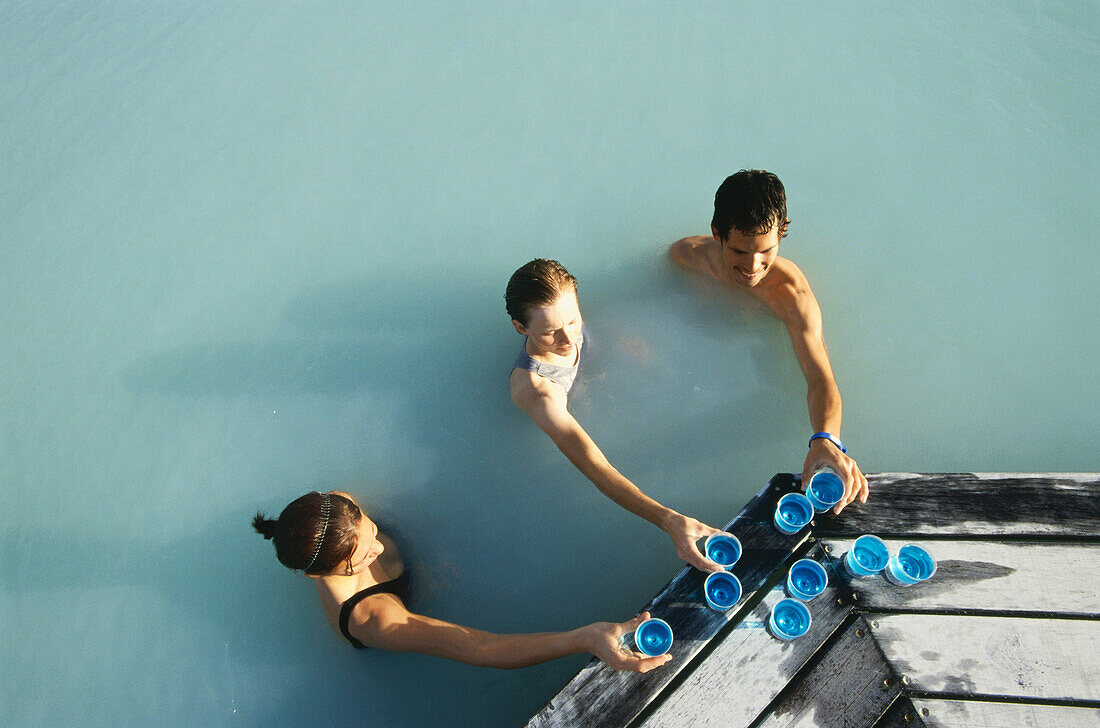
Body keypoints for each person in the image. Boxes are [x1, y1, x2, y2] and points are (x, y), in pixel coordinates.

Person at [252, 490, 670, 672]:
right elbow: (478, 647)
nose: (376, 548)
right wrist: (583, 638)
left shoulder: (337, 509)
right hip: (411, 595)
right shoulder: (373, 618)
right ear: (319, 574)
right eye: (358, 559)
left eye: (370, 531)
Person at [506, 259, 727, 572]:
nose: (568, 340)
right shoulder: (540, 394)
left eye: (572, 320)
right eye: (550, 333)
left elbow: (580, 332)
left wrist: (620, 341)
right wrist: (668, 519)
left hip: (593, 375)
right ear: (521, 328)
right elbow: (597, 468)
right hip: (568, 403)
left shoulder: (566, 328)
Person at [668, 169, 869, 513]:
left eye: (766, 251)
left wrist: (826, 439)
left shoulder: (790, 294)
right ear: (717, 233)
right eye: (739, 251)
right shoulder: (687, 256)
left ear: (782, 233)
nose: (753, 266)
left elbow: (820, 377)